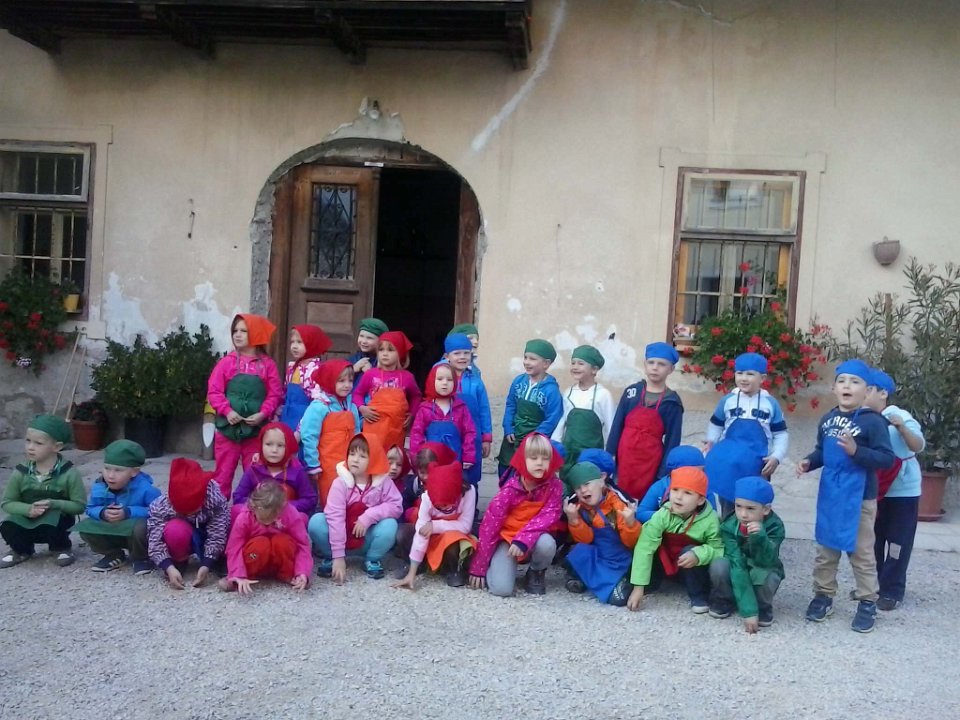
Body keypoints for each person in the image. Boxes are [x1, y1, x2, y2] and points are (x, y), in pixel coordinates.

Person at [797, 359, 895, 633]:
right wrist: (809, 462)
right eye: (842, 381)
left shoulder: (874, 422)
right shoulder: (827, 419)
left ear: (867, 391)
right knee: (826, 549)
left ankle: (867, 602)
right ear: (834, 388)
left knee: (861, 552)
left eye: (854, 381)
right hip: (831, 493)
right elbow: (822, 450)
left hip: (860, 497)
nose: (847, 386)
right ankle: (823, 595)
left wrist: (857, 452)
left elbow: (887, 459)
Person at [469, 433, 564, 597]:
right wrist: (479, 566)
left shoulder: (555, 486)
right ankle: (495, 564)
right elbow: (489, 527)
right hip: (508, 540)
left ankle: (535, 572)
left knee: (547, 544)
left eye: (545, 458)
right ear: (523, 459)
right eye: (533, 458)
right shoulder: (509, 491)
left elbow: (549, 515)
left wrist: (524, 539)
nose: (540, 463)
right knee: (501, 589)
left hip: (534, 539)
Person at [865, 368, 925, 612]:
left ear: (883, 393)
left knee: (898, 542)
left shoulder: (897, 415)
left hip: (903, 492)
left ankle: (892, 590)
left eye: (868, 389)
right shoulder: (863, 417)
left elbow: (918, 445)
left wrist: (902, 428)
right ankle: (872, 586)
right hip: (876, 489)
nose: (863, 393)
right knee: (873, 540)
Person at [307, 433, 403, 581]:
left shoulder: (383, 482)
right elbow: (335, 517)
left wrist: (369, 516)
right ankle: (331, 557)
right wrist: (338, 556)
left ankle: (371, 559)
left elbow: (396, 506)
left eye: (362, 456)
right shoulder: (340, 483)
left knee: (390, 525)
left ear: (374, 459)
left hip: (367, 537)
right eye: (352, 454)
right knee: (316, 522)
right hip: (339, 539)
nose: (355, 460)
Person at [626, 466, 722, 614]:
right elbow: (645, 546)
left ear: (700, 500)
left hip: (691, 566)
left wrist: (699, 554)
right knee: (645, 539)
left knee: (690, 551)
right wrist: (638, 587)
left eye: (687, 493)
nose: (678, 497)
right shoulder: (663, 514)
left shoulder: (711, 520)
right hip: (669, 561)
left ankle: (698, 595)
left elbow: (719, 549)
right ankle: (648, 583)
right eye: (675, 490)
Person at [207, 313, 283, 499]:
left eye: (243, 331)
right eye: (235, 331)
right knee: (223, 474)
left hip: (256, 432)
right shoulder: (226, 363)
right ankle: (218, 510)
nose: (237, 335)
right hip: (228, 430)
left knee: (255, 473)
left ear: (256, 334)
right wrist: (227, 411)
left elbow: (275, 394)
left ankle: (254, 511)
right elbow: (214, 391)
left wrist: (263, 413)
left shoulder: (268, 365)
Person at [703, 352, 788, 515]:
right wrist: (711, 441)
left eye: (750, 374)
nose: (743, 378)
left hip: (756, 463)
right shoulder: (727, 401)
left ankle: (752, 530)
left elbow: (781, 434)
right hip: (729, 463)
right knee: (728, 504)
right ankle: (727, 527)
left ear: (762, 378)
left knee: (753, 502)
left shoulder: (770, 404)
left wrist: (776, 457)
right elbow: (716, 424)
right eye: (739, 373)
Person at [0, 415, 85, 569]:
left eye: (38, 443)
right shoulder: (21, 472)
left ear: (57, 447)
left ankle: (60, 547)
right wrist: (27, 509)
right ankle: (21, 550)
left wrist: (55, 504)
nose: (30, 447)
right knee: (8, 525)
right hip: (28, 517)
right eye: (28, 441)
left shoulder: (69, 473)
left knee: (57, 522)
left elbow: (79, 506)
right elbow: (7, 502)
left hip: (54, 519)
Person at [607, 341, 684, 501]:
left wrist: (664, 472)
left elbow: (673, 440)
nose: (655, 367)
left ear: (671, 369)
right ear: (645, 365)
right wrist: (610, 454)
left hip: (650, 461)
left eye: (661, 364)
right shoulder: (631, 393)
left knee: (644, 499)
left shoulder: (672, 402)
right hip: (624, 456)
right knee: (618, 497)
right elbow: (617, 425)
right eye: (651, 362)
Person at [708, 476, 785, 633]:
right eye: (738, 506)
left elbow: (767, 561)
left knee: (767, 575)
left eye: (750, 508)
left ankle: (763, 606)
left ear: (766, 509)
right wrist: (749, 611)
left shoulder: (775, 526)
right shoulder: (729, 525)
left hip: (761, 564)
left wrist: (760, 538)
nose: (743, 514)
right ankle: (724, 598)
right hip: (739, 566)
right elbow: (736, 564)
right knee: (719, 565)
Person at [75, 440, 160, 574]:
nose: (110, 475)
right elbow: (90, 508)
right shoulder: (99, 487)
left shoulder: (146, 489)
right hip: (113, 530)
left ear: (134, 472)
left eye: (118, 470)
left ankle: (141, 558)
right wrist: (102, 513)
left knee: (143, 526)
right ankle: (113, 554)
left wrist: (129, 512)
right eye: (107, 468)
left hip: (135, 535)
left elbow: (159, 512)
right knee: (87, 526)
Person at [147, 457, 230, 590]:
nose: (187, 514)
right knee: (174, 529)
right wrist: (168, 566)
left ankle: (218, 559)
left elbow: (218, 533)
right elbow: (155, 540)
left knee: (233, 523)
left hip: (206, 533)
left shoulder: (215, 500)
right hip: (184, 534)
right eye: (181, 511)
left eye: (192, 510)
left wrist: (207, 563)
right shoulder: (161, 506)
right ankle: (179, 560)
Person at [563, 461, 639, 606]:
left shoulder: (617, 504)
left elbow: (631, 543)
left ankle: (592, 580)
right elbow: (586, 540)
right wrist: (574, 520)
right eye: (578, 487)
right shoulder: (578, 507)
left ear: (602, 480)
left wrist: (630, 524)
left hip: (619, 559)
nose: (583, 490)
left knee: (618, 600)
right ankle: (601, 581)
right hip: (598, 555)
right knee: (578, 552)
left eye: (587, 484)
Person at [392, 461, 477, 589]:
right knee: (402, 532)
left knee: (452, 539)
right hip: (430, 537)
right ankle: (417, 564)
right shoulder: (427, 497)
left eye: (447, 505)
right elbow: (421, 533)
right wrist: (411, 574)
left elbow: (465, 526)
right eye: (439, 506)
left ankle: (453, 570)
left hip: (452, 535)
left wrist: (434, 526)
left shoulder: (469, 492)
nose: (444, 508)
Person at [220, 480, 312, 595]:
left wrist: (302, 571)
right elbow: (234, 547)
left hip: (281, 558)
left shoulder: (290, 514)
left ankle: (291, 575)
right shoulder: (245, 517)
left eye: (272, 518)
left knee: (282, 542)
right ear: (253, 507)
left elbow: (302, 544)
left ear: (281, 509)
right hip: (255, 558)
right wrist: (237, 573)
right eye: (263, 519)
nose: (267, 523)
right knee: (261, 544)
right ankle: (238, 579)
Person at [496, 339, 563, 479]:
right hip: (512, 437)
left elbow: (552, 418)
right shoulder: (518, 382)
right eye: (525, 357)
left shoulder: (551, 391)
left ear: (546, 363)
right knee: (505, 470)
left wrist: (535, 437)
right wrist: (508, 427)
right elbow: (511, 405)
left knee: (525, 475)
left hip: (532, 442)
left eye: (532, 359)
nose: (526, 362)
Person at [552, 345, 616, 492]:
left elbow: (611, 426)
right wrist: (555, 444)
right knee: (566, 486)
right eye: (573, 363)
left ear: (594, 369)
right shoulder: (569, 392)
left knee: (587, 487)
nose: (575, 367)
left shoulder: (603, 395)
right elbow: (563, 421)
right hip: (569, 452)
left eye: (581, 363)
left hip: (591, 453)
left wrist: (610, 454)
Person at [299, 359, 362, 508]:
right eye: (341, 381)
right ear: (329, 381)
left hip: (350, 462)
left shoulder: (351, 407)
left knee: (350, 498)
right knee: (330, 500)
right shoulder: (319, 407)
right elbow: (309, 436)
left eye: (350, 380)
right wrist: (313, 465)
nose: (347, 385)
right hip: (327, 466)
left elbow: (357, 434)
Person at [232, 423, 317, 521]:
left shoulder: (297, 471)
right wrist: (260, 505)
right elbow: (238, 497)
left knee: (302, 517)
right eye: (268, 444)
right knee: (236, 510)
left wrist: (283, 506)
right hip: (257, 517)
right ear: (261, 445)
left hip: (285, 519)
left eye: (280, 445)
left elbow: (310, 500)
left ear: (288, 447)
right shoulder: (254, 469)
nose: (274, 450)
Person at [353, 330, 422, 452]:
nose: (385, 354)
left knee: (392, 457)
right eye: (381, 350)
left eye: (390, 350)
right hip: (373, 425)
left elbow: (416, 396)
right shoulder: (370, 374)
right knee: (372, 455)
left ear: (399, 353)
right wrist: (362, 408)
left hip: (396, 428)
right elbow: (357, 393)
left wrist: (412, 414)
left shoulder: (407, 377)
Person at [442, 332, 492, 487]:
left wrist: (486, 438)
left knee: (470, 476)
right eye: (457, 353)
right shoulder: (441, 380)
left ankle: (471, 501)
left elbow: (484, 410)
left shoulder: (476, 382)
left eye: (466, 353)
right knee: (447, 473)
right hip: (448, 436)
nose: (462, 357)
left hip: (473, 436)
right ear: (447, 356)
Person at [409, 362, 477, 468]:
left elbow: (469, 432)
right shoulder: (424, 409)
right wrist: (417, 458)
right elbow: (416, 434)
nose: (445, 383)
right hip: (430, 461)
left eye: (449, 380)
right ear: (432, 381)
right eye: (440, 379)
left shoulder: (461, 408)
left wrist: (468, 456)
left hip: (455, 460)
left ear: (455, 382)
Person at [277, 324, 332, 433]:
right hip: (287, 417)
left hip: (305, 421)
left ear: (312, 344)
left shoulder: (316, 370)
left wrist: (300, 430)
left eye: (299, 342)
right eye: (292, 342)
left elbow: (318, 402)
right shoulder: (292, 368)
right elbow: (285, 393)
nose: (294, 346)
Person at [637, 445, 706, 523]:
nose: (700, 475)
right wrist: (667, 516)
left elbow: (711, 514)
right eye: (695, 472)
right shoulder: (660, 487)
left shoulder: (702, 487)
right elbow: (640, 514)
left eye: (703, 471)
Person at [347, 317, 388, 387]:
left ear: (380, 341)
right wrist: (353, 369)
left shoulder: (385, 363)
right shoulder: (352, 360)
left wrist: (370, 372)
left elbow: (388, 385)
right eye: (361, 336)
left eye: (369, 338)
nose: (364, 341)